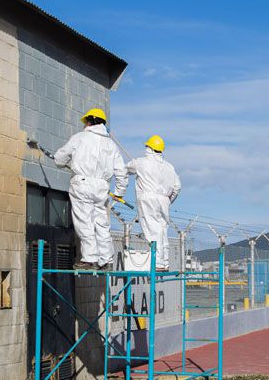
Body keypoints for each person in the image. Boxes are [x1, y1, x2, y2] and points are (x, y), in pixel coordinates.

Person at [54, 108, 128, 270]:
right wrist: (119, 192)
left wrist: (60, 161)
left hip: (82, 183)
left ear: (89, 121)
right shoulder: (110, 145)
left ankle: (89, 259)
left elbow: (60, 158)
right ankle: (106, 259)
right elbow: (121, 172)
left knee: (84, 221)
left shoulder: (80, 138)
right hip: (102, 186)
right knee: (101, 222)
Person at [126, 135, 181, 271]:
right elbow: (177, 187)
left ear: (149, 148)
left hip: (148, 198)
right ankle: (164, 262)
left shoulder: (140, 162)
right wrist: (168, 201)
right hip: (164, 200)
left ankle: (156, 263)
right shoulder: (169, 167)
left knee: (152, 230)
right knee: (162, 230)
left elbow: (125, 169)